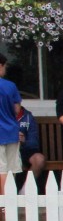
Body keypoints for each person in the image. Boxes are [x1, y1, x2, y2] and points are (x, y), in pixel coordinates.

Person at [0, 53, 20, 193]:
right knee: (11, 168)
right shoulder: (10, 86)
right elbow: (16, 109)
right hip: (11, 131)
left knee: (1, 168)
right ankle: (9, 202)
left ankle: (3, 207)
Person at [15, 102, 45, 191]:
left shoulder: (28, 117)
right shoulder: (3, 117)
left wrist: (24, 141)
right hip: (7, 150)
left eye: (16, 102)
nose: (13, 105)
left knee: (39, 159)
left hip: (25, 150)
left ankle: (25, 190)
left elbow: (34, 143)